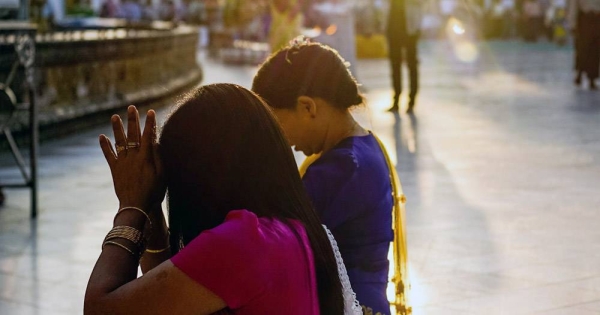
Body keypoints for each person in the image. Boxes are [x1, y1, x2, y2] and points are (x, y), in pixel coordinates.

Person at [84, 84, 362, 314]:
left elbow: (101, 310)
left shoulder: (243, 244)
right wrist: (152, 208)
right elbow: (170, 296)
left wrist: (132, 206)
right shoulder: (292, 232)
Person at [253, 39, 410, 315]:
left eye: (277, 127)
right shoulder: (366, 146)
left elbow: (269, 245)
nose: (281, 142)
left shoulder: (341, 169)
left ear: (307, 107)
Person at [386, 0, 423, 113]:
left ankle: (411, 102)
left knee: (412, 65)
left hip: (410, 28)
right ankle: (396, 101)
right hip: (393, 27)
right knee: (395, 66)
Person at [568, 0, 600, 90]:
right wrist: (572, 23)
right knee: (582, 48)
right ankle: (579, 73)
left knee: (595, 50)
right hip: (584, 19)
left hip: (597, 19)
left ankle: (592, 78)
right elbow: (573, 5)